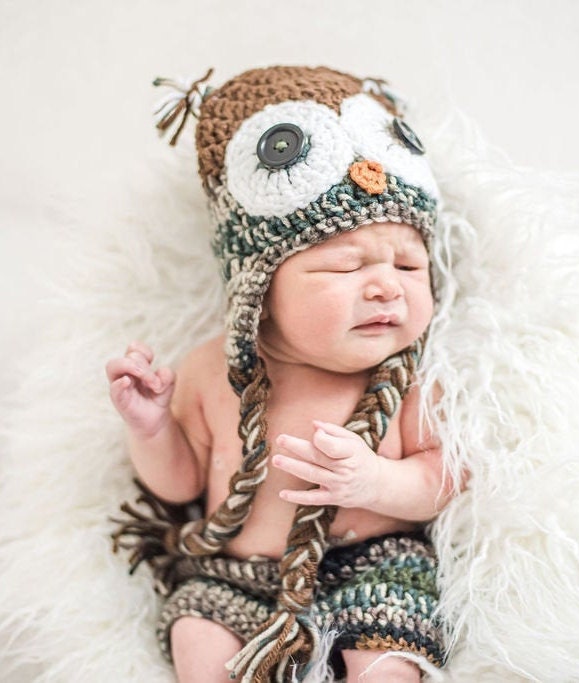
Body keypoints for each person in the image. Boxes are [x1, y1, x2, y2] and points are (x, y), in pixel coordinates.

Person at [108, 65, 455, 683]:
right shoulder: (212, 370)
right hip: (236, 570)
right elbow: (181, 484)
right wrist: (151, 427)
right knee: (198, 639)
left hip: (372, 564)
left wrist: (377, 483)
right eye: (343, 269)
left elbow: (441, 479)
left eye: (408, 266)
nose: (385, 288)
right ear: (260, 288)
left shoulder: (409, 378)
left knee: (392, 664)